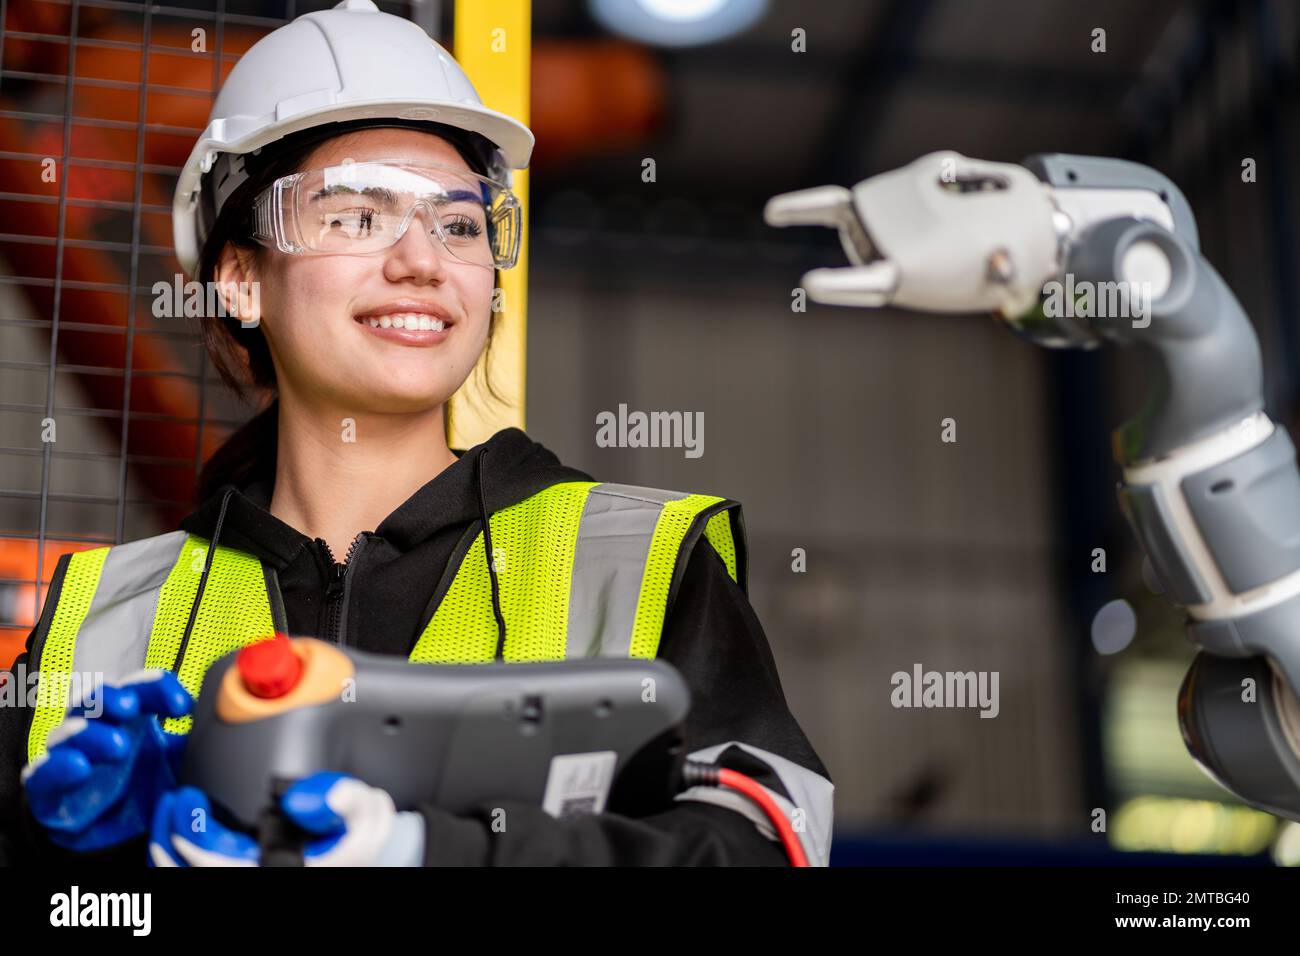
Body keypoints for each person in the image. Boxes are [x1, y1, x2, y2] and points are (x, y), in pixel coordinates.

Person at [0, 0, 832, 867]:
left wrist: (427, 852)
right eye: (357, 217)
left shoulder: (639, 559)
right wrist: (77, 860)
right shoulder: (102, 614)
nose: (423, 262)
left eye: (461, 224)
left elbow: (769, 844)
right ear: (240, 281)